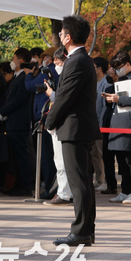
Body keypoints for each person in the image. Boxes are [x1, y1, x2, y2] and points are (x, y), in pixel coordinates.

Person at [46, 15, 101, 246]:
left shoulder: (77, 61)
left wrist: (49, 121)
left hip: (75, 130)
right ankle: (85, 230)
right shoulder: (81, 59)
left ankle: (80, 231)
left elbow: (64, 96)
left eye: (61, 33)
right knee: (83, 182)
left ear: (68, 37)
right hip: (78, 129)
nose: (59, 36)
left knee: (79, 183)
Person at [0, 48, 35, 197]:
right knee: (16, 156)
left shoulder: (24, 77)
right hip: (13, 122)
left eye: (14, 59)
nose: (12, 61)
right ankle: (18, 184)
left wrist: (3, 111)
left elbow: (19, 99)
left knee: (21, 155)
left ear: (20, 61)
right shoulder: (17, 77)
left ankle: (25, 185)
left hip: (19, 122)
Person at [24, 47, 59, 199]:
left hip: (44, 116)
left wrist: (28, 75)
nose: (40, 61)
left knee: (46, 155)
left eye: (42, 58)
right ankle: (51, 187)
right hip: (44, 115)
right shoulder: (51, 71)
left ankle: (50, 188)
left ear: (49, 59)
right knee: (47, 154)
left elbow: (30, 86)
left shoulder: (49, 71)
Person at [103, 51, 131, 204]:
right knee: (121, 160)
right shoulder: (121, 79)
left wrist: (119, 99)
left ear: (128, 64)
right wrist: (111, 99)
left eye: (119, 68)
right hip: (117, 123)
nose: (116, 71)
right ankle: (125, 190)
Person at [43, 48, 73, 206]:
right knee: (61, 160)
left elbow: (63, 99)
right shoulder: (63, 76)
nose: (55, 64)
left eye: (57, 61)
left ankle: (64, 193)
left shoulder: (69, 76)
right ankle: (66, 191)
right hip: (62, 123)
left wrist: (51, 94)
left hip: (63, 123)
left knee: (61, 161)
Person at [93, 57, 118, 195]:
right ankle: (99, 180)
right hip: (92, 123)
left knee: (99, 154)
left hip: (100, 125)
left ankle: (102, 181)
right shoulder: (93, 83)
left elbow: (104, 108)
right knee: (93, 154)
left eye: (94, 66)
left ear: (99, 68)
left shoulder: (106, 84)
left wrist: (101, 125)